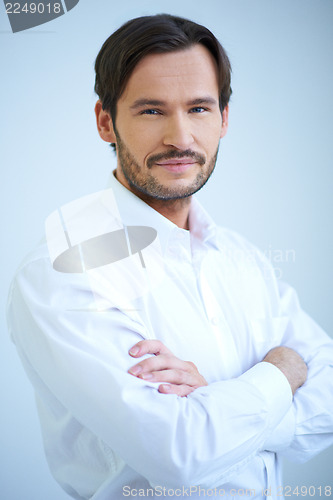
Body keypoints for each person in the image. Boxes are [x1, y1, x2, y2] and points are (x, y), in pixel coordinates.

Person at [7, 14, 333, 500]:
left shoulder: (241, 258)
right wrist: (283, 371)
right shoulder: (62, 272)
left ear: (224, 119)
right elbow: (182, 454)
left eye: (199, 108)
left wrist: (216, 403)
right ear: (105, 122)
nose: (180, 138)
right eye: (152, 111)